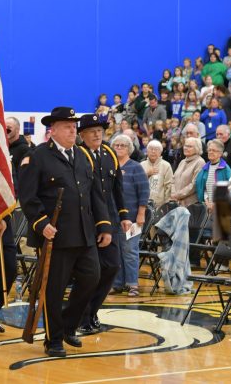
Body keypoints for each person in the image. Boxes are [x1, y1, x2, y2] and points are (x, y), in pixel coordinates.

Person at [19, 107, 113, 357]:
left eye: (74, 127)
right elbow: (28, 196)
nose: (73, 130)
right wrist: (41, 222)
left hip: (84, 233)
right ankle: (54, 339)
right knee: (54, 289)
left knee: (92, 278)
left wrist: (103, 225)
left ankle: (69, 325)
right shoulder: (37, 157)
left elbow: (94, 193)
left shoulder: (83, 157)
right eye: (68, 127)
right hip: (55, 236)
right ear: (53, 130)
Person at [76, 114, 129, 335]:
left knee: (112, 266)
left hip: (111, 220)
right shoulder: (78, 155)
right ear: (82, 135)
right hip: (87, 222)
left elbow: (117, 187)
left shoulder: (109, 154)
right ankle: (81, 315)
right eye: (92, 131)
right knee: (91, 272)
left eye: (100, 130)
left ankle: (92, 311)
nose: (98, 134)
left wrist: (124, 214)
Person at [110, 135, 149, 298]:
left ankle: (132, 284)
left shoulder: (136, 167)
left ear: (129, 149)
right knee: (116, 251)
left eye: (122, 146)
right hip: (113, 216)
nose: (118, 148)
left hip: (132, 217)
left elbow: (144, 192)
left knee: (130, 251)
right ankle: (117, 283)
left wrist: (141, 214)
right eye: (116, 145)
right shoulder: (110, 166)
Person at [141, 140, 173, 209]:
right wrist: (147, 174)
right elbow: (136, 183)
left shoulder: (166, 165)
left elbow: (169, 186)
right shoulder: (141, 165)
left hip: (159, 205)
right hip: (142, 204)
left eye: (156, 149)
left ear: (160, 152)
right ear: (147, 151)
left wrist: (166, 205)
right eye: (151, 149)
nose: (153, 151)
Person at [6, 116, 30, 194]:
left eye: (9, 127)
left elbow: (26, 176)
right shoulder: (4, 147)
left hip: (17, 195)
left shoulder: (25, 150)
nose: (6, 130)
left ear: (17, 130)